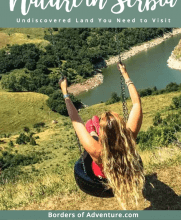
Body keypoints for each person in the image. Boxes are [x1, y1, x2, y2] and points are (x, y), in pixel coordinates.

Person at [59, 62, 144, 209]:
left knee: (89, 127)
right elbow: (137, 104)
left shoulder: (96, 150)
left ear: (102, 134)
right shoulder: (129, 136)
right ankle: (94, 126)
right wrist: (125, 75)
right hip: (123, 170)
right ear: (122, 128)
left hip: (101, 176)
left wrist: (65, 93)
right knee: (92, 128)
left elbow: (76, 120)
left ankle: (93, 128)